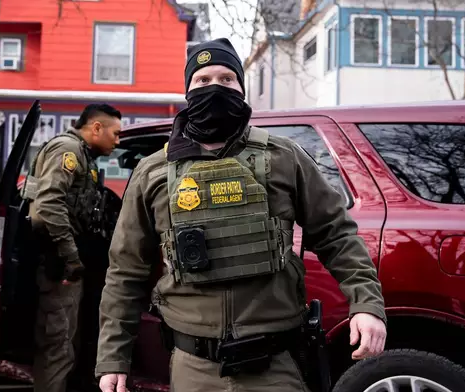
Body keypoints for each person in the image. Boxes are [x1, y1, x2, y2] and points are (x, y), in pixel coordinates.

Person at [96, 38, 387, 392]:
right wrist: (113, 357)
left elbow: (336, 234)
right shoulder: (153, 171)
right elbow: (126, 270)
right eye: (203, 80)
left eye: (226, 79)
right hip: (193, 366)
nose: (215, 88)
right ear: (187, 90)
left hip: (276, 364)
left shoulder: (284, 157)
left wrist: (367, 303)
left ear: (241, 89)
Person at [24, 103, 121, 392]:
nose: (118, 141)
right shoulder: (67, 151)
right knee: (58, 346)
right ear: (96, 128)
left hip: (68, 260)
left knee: (69, 341)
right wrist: (71, 256)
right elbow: (48, 206)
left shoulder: (83, 155)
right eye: (115, 134)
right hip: (58, 262)